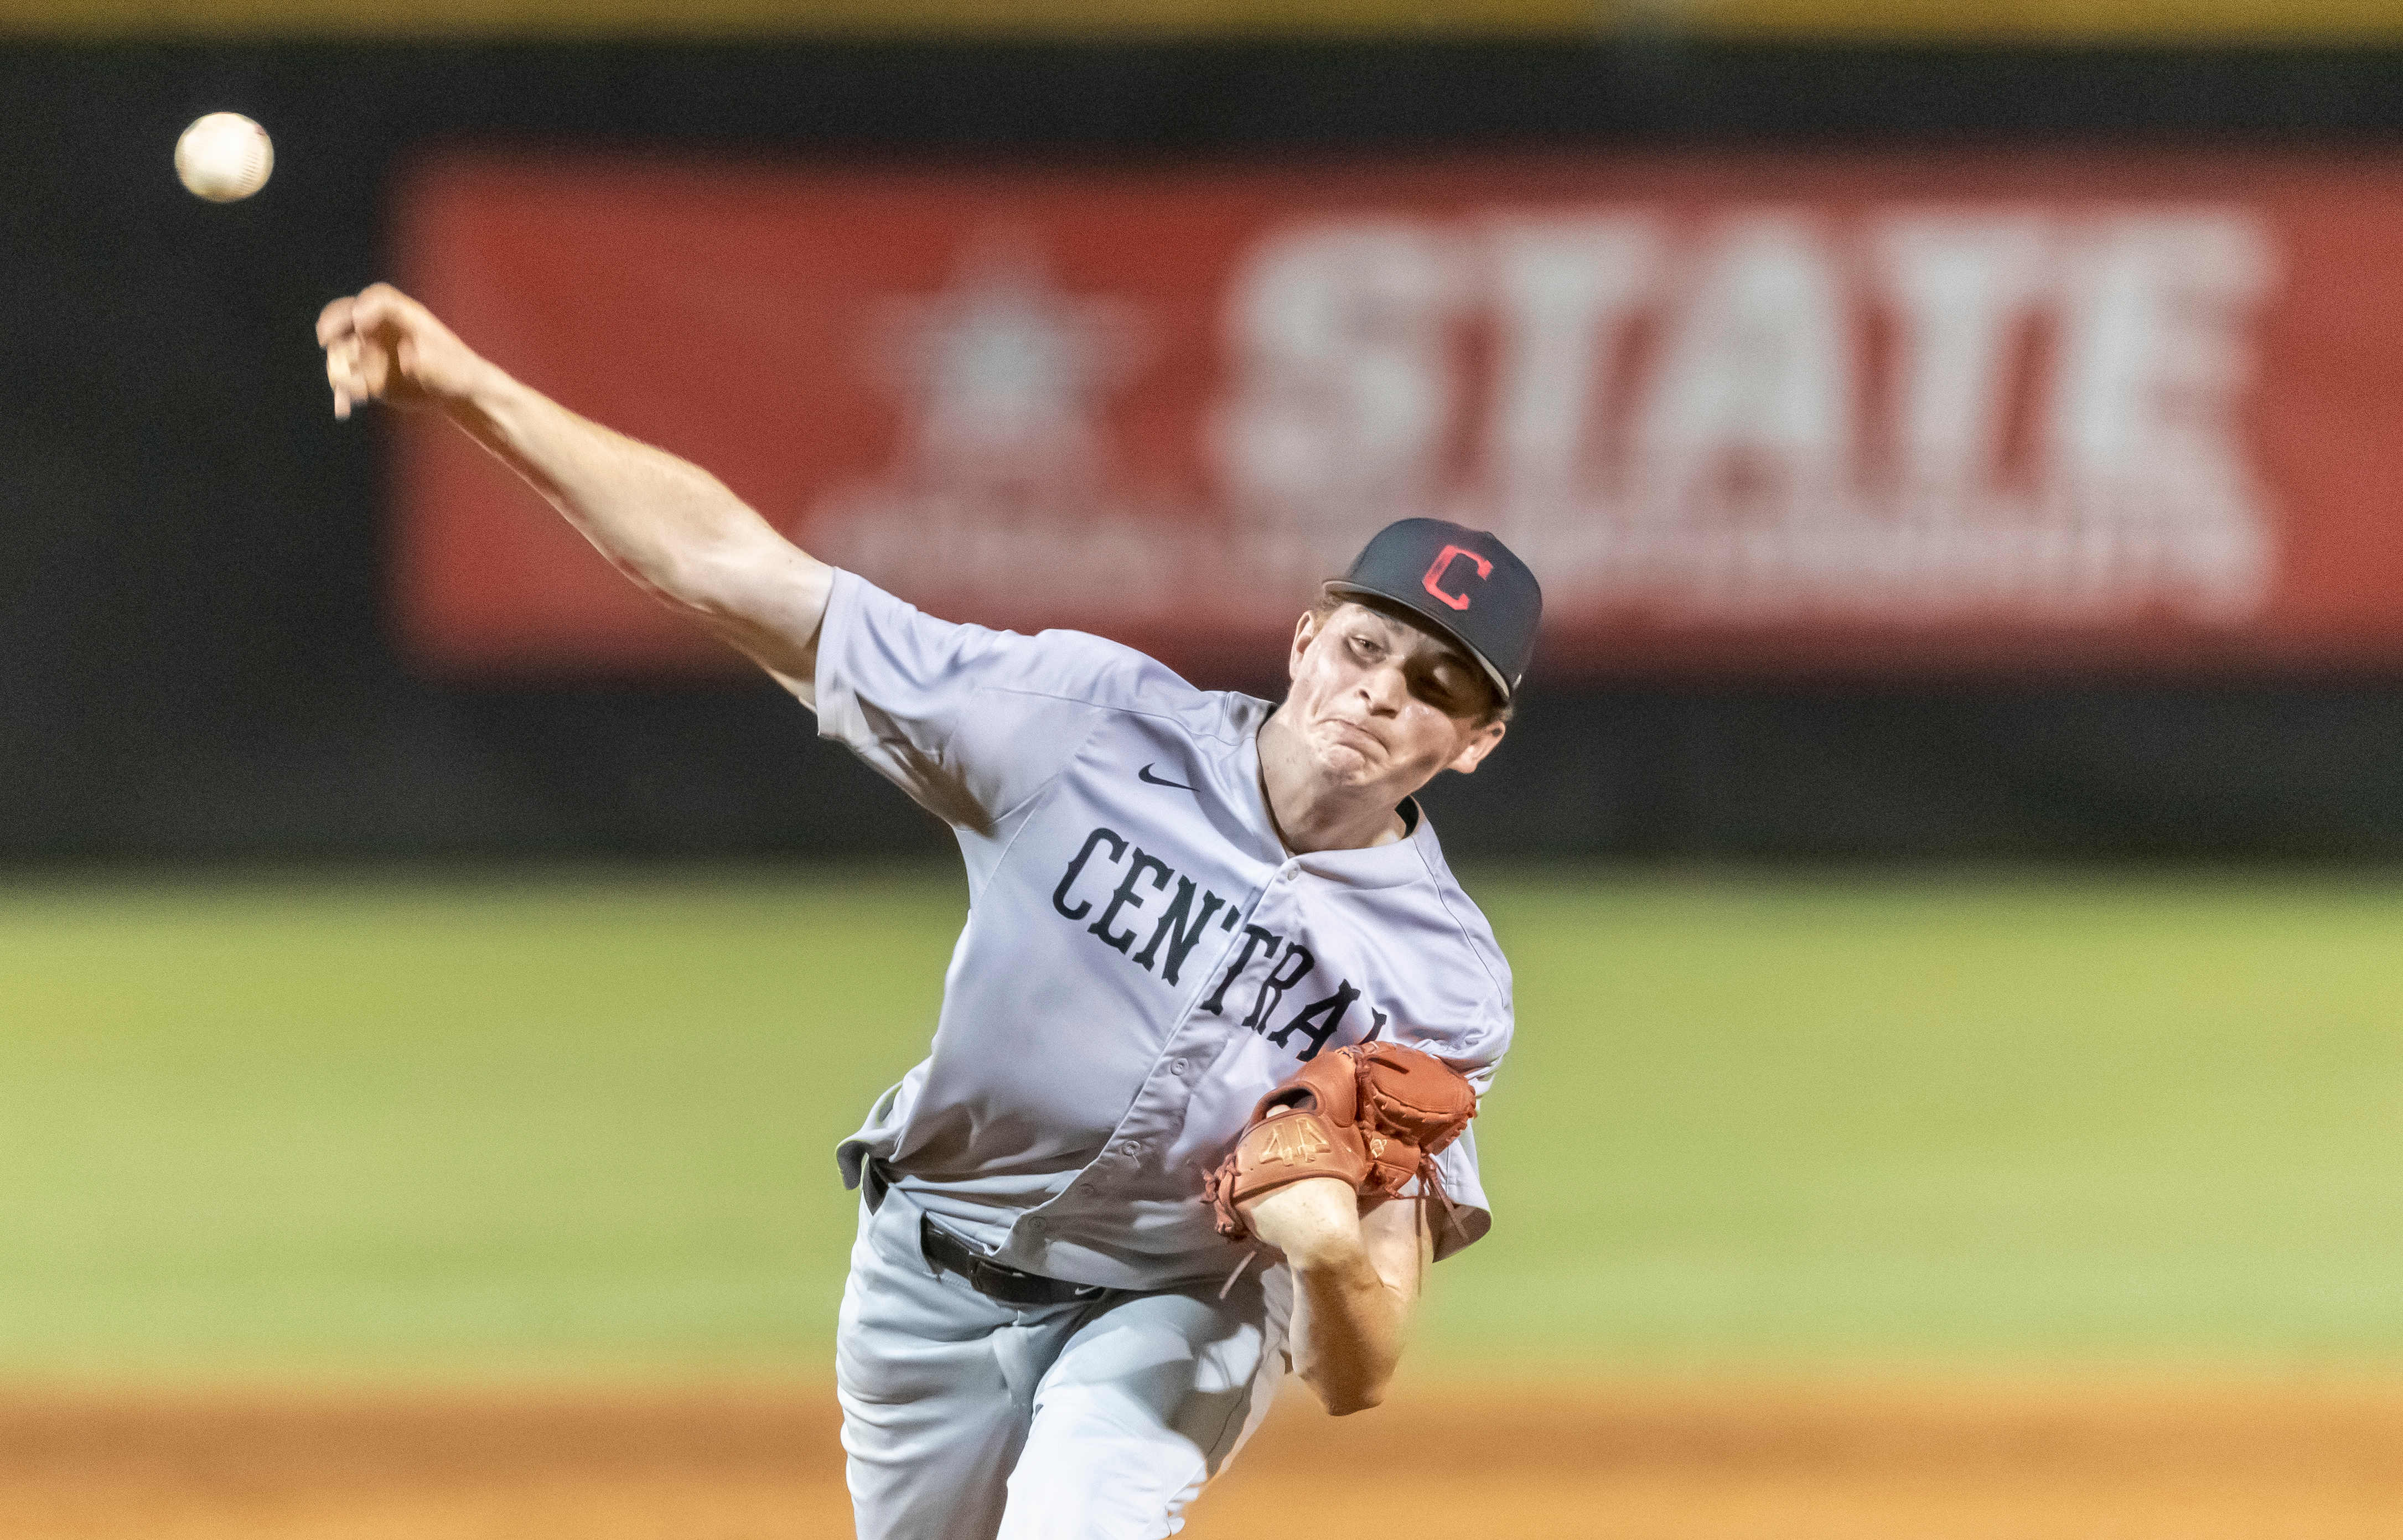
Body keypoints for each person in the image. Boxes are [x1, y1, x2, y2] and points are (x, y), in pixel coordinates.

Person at [317, 282, 1541, 1540]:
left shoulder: (1441, 977)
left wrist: (1329, 1259)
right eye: (1366, 648)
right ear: (1303, 642)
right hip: (926, 1275)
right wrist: (474, 389)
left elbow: (1359, 1375)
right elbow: (742, 578)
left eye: (1440, 684)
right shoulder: (1083, 725)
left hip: (1176, 1308)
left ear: (1478, 741)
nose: (1387, 691)